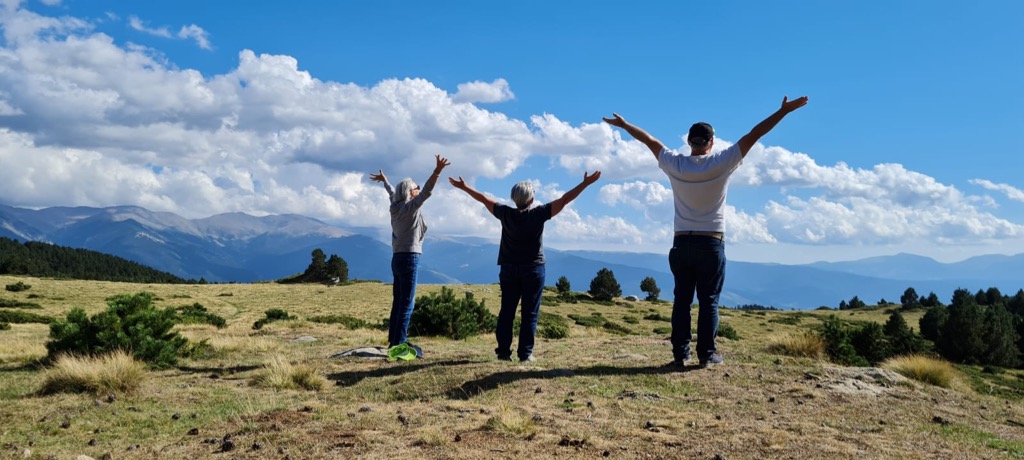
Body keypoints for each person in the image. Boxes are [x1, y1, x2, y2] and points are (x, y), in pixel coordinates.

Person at [603, 96, 809, 368]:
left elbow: (649, 141)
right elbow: (755, 134)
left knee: (681, 301)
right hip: (711, 243)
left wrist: (625, 124)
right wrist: (783, 111)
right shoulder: (722, 163)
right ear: (711, 142)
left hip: (681, 243)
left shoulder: (674, 164)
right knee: (708, 301)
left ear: (689, 141)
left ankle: (679, 355)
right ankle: (707, 355)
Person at [449, 171, 601, 362]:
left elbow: (483, 199)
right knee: (530, 313)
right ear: (531, 199)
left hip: (508, 268)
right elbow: (564, 200)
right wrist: (585, 183)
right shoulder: (539, 214)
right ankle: (525, 354)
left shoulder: (504, 213)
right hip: (533, 269)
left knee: (507, 311)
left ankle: (503, 352)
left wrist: (464, 187)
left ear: (514, 198)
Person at [369, 154, 451, 360]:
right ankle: (400, 345)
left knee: (398, 301)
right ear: (409, 192)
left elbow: (391, 192)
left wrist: (385, 181)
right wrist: (437, 170)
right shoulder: (410, 208)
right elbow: (428, 191)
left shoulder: (395, 207)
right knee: (407, 303)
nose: (418, 189)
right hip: (409, 257)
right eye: (415, 187)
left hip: (396, 258)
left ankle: (393, 341)